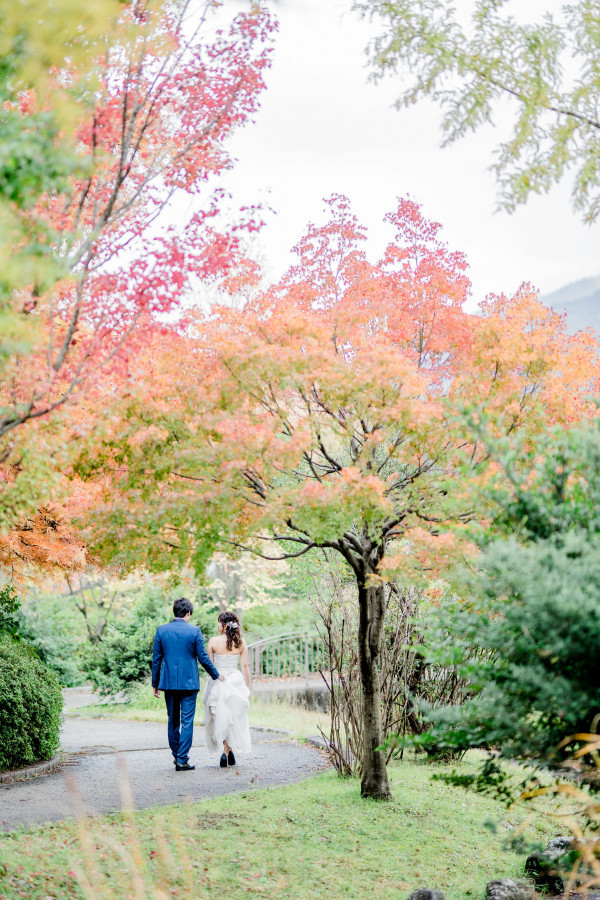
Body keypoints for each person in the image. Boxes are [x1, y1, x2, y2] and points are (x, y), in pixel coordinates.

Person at [152, 597, 223, 771]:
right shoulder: (194, 631)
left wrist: (155, 683)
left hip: (168, 683)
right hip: (189, 683)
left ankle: (177, 756)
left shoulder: (161, 630)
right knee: (187, 721)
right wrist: (216, 674)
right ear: (188, 613)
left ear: (175, 612)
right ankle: (182, 759)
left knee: (173, 721)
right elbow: (203, 657)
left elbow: (156, 660)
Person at [203, 611, 252, 767]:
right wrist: (247, 686)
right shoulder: (241, 642)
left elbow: (210, 667)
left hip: (218, 682)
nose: (217, 625)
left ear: (224, 625)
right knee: (231, 718)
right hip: (235, 681)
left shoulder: (212, 641)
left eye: (219, 622)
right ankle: (228, 751)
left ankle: (226, 751)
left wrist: (217, 676)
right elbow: (244, 666)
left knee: (220, 717)